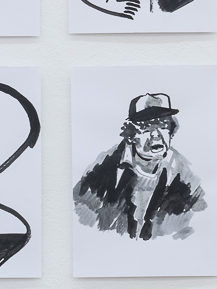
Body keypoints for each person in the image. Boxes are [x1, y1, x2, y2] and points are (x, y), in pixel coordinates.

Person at [73, 92, 205, 241]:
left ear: (171, 131)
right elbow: (83, 217)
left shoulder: (184, 176)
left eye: (163, 126)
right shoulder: (105, 167)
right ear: (131, 135)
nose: (156, 135)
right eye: (147, 128)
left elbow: (191, 225)